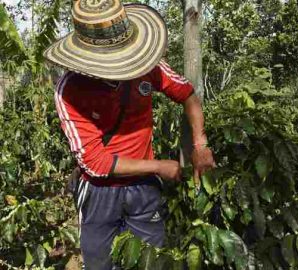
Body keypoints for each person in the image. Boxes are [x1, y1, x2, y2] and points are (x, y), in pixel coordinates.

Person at [43, 0, 215, 269]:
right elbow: (95, 162)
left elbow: (188, 95)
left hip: (143, 188)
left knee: (151, 260)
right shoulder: (71, 91)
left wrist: (200, 143)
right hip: (100, 192)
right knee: (99, 262)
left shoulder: (148, 65)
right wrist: (159, 166)